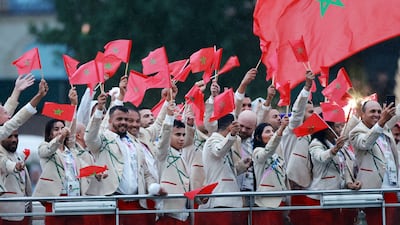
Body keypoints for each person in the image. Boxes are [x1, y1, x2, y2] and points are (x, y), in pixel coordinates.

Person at [84, 92, 162, 225]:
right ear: (109, 121)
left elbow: (145, 172)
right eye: (119, 119)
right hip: (112, 203)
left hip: (136, 203)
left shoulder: (135, 143)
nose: (124, 123)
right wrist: (99, 111)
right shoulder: (104, 139)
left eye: (126, 119)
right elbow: (89, 138)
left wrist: (154, 187)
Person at [349, 100, 399, 225]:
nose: (376, 114)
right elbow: (365, 143)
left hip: (392, 188)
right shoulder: (356, 132)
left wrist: (383, 121)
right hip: (374, 191)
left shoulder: (385, 127)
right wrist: (382, 121)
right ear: (362, 114)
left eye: (379, 111)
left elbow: (397, 113)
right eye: (372, 111)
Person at [305, 118, 361, 225]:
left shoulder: (338, 143)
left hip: (336, 197)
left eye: (341, 126)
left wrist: (349, 183)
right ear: (327, 129)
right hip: (320, 198)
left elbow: (344, 167)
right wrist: (334, 150)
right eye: (337, 126)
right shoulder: (315, 143)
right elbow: (321, 157)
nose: (340, 130)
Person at [197, 113, 248, 225]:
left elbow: (226, 170)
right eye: (235, 125)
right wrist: (232, 135)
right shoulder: (213, 140)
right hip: (220, 200)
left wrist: (242, 166)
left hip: (230, 200)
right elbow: (218, 151)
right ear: (230, 126)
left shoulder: (226, 141)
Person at [252, 117, 289, 225]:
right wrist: (280, 129)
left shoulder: (278, 152)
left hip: (281, 201)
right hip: (266, 202)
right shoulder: (257, 152)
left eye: (273, 131)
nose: (272, 134)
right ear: (258, 137)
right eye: (267, 132)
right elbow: (267, 151)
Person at [0, 130, 32, 225]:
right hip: (8, 214)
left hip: (24, 213)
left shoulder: (17, 155)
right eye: (9, 136)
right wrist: (15, 166)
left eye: (16, 136)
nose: (14, 139)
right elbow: (6, 164)